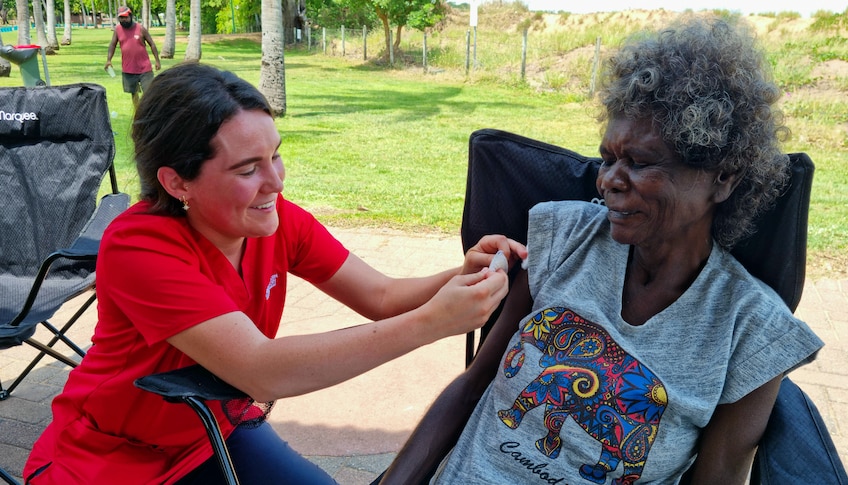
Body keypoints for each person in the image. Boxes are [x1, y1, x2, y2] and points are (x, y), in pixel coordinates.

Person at [23, 61, 527, 484]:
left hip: (212, 430)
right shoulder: (140, 247)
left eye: (276, 155)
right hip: (112, 457)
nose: (275, 182)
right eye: (248, 169)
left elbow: (381, 295)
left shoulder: (275, 222)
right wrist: (431, 323)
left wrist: (459, 275)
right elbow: (261, 369)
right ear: (177, 182)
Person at [379, 16, 824, 485]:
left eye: (640, 163)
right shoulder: (565, 237)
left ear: (723, 177)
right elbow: (474, 385)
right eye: (609, 158)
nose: (608, 180)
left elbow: (717, 477)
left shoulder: (752, 330)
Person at [105, 6, 161, 108]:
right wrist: (109, 60)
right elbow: (112, 44)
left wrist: (157, 61)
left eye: (125, 17)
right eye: (121, 17)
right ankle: (137, 113)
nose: (123, 20)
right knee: (133, 94)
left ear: (131, 16)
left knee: (149, 93)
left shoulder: (140, 28)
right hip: (128, 68)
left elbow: (152, 44)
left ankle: (149, 111)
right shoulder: (117, 30)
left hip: (145, 68)